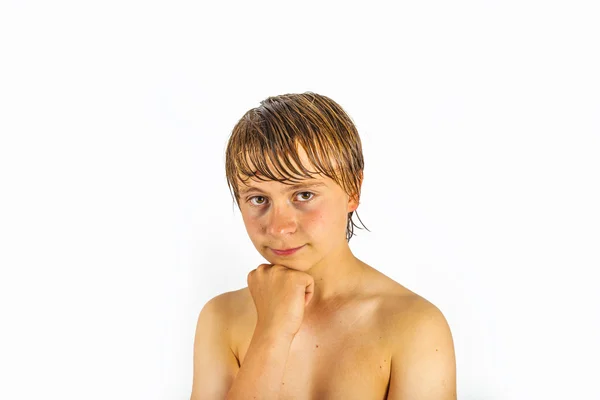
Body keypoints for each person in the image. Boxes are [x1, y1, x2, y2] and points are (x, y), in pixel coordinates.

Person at [190, 92, 457, 399]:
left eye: (303, 195)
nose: (279, 226)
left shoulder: (414, 326)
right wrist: (273, 330)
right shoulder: (220, 318)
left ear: (353, 189)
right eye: (258, 199)